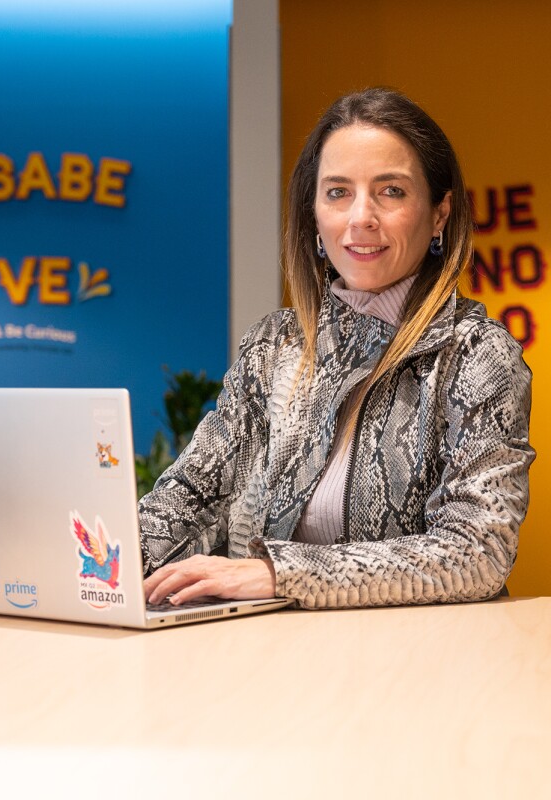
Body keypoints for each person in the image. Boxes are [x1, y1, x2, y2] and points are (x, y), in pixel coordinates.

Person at [140, 87, 534, 609]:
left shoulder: (477, 355)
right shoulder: (273, 347)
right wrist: (98, 563)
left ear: (440, 214)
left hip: (418, 667)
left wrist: (278, 574)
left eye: (391, 191)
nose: (361, 217)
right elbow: (190, 495)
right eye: (338, 192)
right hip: (263, 656)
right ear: (314, 215)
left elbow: (477, 551)